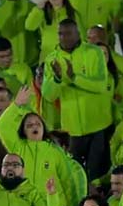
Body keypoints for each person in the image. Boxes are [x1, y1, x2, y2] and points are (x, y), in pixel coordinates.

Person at [42, 19, 113, 180]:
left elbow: (101, 85)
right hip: (71, 129)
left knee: (96, 175)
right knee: (75, 174)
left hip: (98, 125)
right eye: (60, 33)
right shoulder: (52, 59)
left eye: (68, 33)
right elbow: (49, 95)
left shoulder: (94, 52)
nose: (64, 37)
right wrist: (58, 79)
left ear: (78, 34)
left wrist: (74, 77)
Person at [25, 0, 76, 64]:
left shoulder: (72, 14)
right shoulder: (41, 13)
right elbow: (29, 26)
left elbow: (82, 36)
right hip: (47, 59)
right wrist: (40, 6)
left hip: (69, 60)